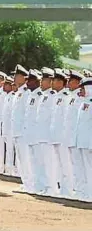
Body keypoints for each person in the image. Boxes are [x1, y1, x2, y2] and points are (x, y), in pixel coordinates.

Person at [62, 70, 87, 200]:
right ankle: (79, 190)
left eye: (70, 81)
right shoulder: (72, 97)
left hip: (80, 138)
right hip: (71, 137)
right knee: (75, 165)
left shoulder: (81, 98)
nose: (68, 83)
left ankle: (85, 191)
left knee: (83, 166)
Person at [49, 69, 73, 198]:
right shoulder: (55, 96)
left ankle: (68, 189)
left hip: (63, 135)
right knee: (58, 163)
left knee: (66, 163)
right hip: (55, 134)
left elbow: (66, 118)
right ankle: (61, 187)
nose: (53, 82)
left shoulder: (66, 97)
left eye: (56, 80)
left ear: (62, 82)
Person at [10, 64, 31, 192]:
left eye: (17, 76)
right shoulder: (18, 92)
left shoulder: (27, 93)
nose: (14, 78)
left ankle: (30, 183)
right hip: (16, 130)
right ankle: (25, 182)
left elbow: (26, 114)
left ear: (24, 78)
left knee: (26, 158)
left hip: (23, 131)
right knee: (20, 158)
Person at [23, 69, 43, 194]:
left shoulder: (40, 96)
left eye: (29, 81)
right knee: (32, 161)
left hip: (37, 135)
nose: (27, 83)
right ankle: (35, 185)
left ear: (36, 82)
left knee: (39, 162)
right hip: (30, 133)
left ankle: (41, 186)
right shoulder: (31, 95)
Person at [76, 77, 92, 202]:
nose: (80, 91)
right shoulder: (83, 103)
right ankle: (85, 192)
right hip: (81, 141)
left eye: (82, 88)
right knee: (82, 168)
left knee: (89, 168)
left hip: (89, 142)